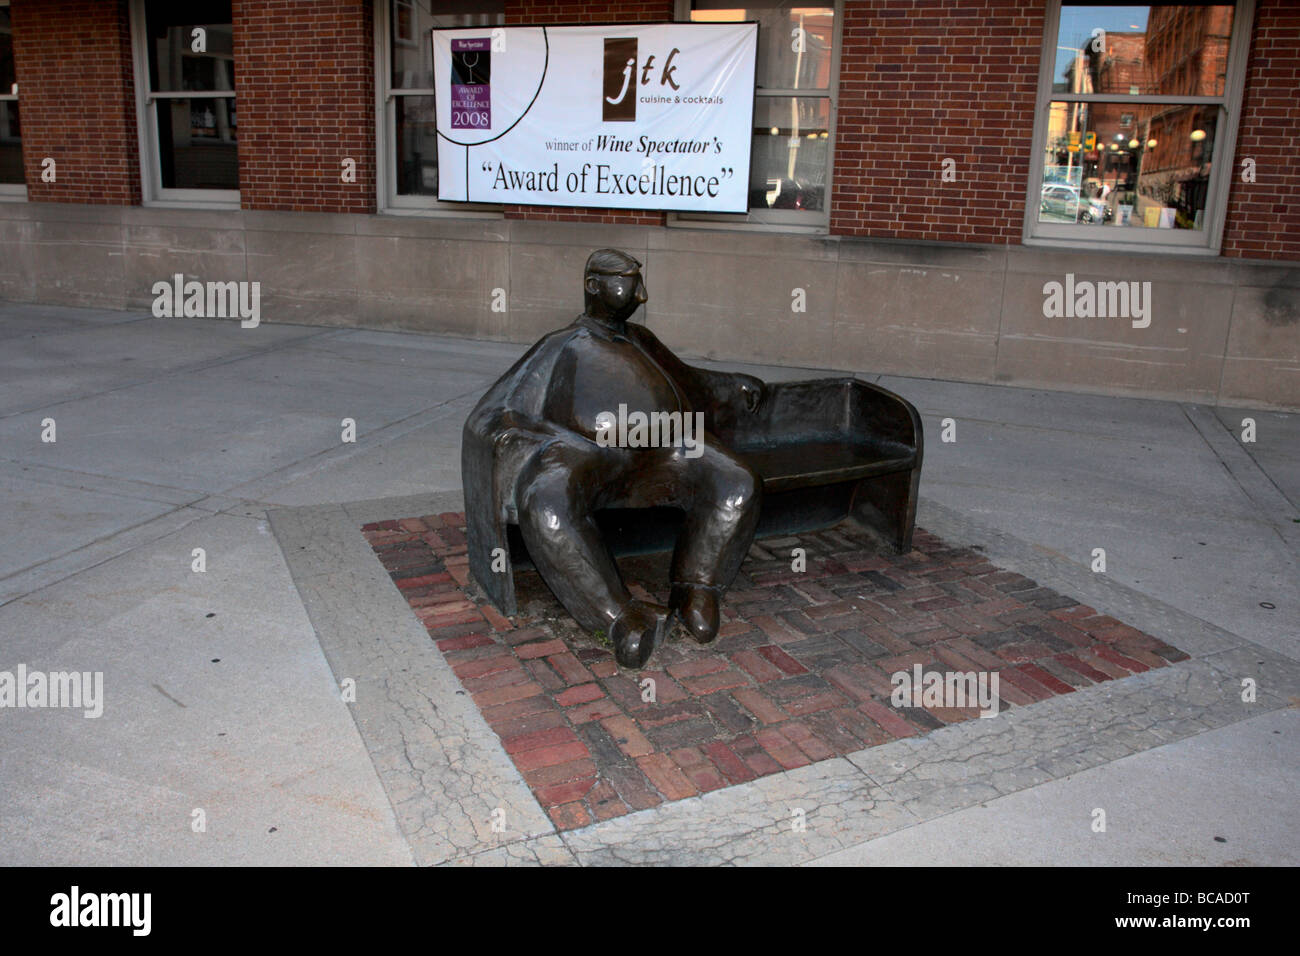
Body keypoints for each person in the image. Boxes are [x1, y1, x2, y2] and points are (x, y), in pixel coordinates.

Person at [463, 249, 764, 667]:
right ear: (593, 286)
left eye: (640, 283)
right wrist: (549, 440)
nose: (641, 296)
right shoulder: (561, 346)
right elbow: (495, 413)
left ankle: (696, 589)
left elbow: (691, 379)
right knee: (547, 501)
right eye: (629, 282)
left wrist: (734, 386)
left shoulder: (642, 341)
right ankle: (618, 618)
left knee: (736, 482)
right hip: (591, 457)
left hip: (667, 449)